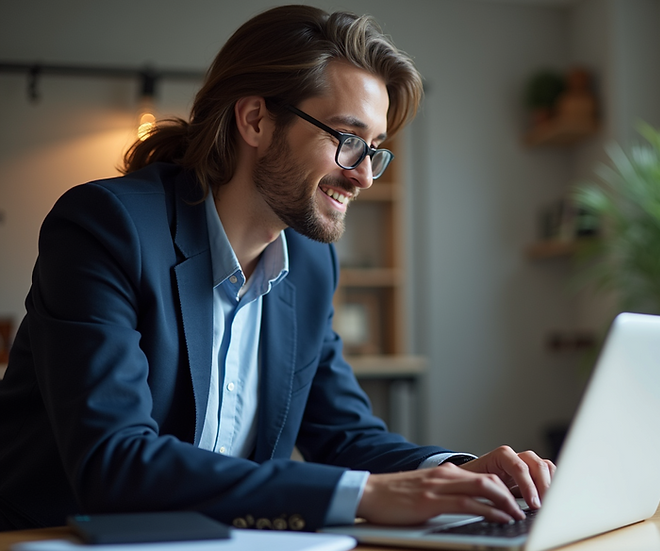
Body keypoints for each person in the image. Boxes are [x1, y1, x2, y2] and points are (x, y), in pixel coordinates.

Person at [0, 5, 554, 531]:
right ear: (255, 120)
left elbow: (342, 434)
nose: (363, 175)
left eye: (374, 149)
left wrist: (458, 470)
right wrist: (364, 495)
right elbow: (115, 463)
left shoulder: (311, 263)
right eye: (347, 139)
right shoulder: (107, 227)